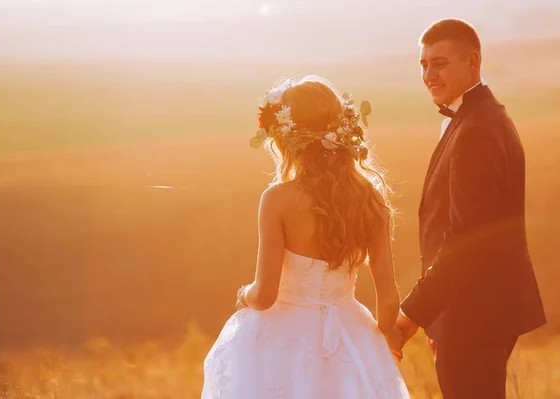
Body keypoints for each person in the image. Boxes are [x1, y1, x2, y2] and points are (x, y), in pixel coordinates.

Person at [201, 75, 410, 398]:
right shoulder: (370, 198)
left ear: (285, 136)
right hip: (349, 334)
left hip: (283, 338)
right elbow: (388, 297)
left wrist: (245, 294)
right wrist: (386, 343)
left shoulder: (278, 199)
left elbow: (265, 294)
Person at [396, 18, 547, 398]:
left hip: (475, 315)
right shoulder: (478, 116)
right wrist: (440, 322)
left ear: (472, 62)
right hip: (467, 312)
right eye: (424, 64)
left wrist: (415, 314)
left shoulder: (478, 128)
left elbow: (466, 238)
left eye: (440, 63)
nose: (429, 74)